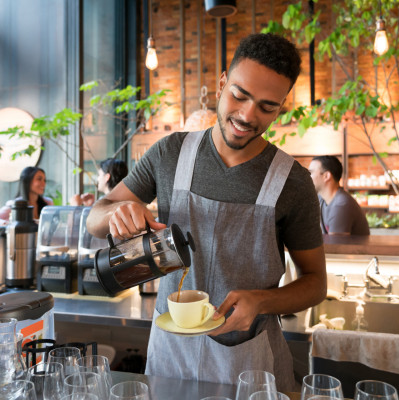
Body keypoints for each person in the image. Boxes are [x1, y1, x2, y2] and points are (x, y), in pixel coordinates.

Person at [86, 33, 326, 390]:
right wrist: (118, 211)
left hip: (248, 361)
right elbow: (95, 218)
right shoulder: (169, 153)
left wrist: (262, 301)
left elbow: (315, 283)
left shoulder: (292, 182)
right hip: (170, 353)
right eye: (239, 95)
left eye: (266, 106)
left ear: (282, 105)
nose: (247, 115)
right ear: (221, 84)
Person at [308, 155, 370, 235]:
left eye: (311, 172)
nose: (308, 177)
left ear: (326, 176)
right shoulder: (322, 199)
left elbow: (335, 246)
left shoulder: (341, 205)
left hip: (348, 248)